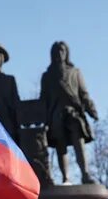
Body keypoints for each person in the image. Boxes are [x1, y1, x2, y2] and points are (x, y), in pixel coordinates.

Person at [39, 41, 99, 185]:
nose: (60, 54)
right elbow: (43, 99)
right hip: (56, 115)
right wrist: (42, 120)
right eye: (57, 51)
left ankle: (85, 174)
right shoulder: (47, 76)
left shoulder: (75, 72)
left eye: (63, 51)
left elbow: (83, 94)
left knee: (79, 142)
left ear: (67, 53)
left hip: (73, 114)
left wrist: (92, 111)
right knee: (61, 146)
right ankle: (66, 177)